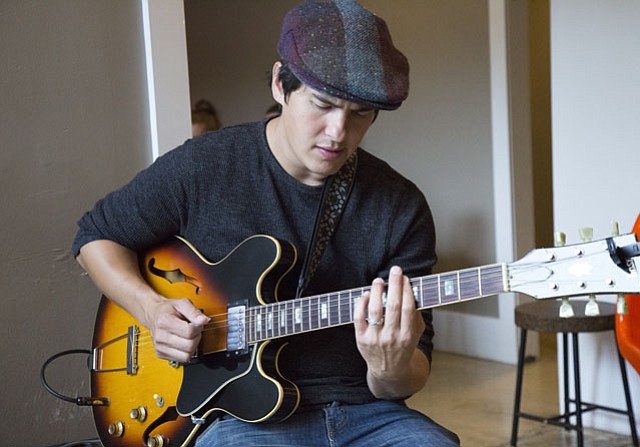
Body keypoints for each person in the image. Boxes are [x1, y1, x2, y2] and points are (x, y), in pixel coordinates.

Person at [73, 1, 460, 446]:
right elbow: (94, 238)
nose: (338, 132)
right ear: (281, 84)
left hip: (365, 411)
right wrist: (151, 309)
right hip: (236, 418)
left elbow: (404, 381)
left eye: (360, 114)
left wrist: (388, 365)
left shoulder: (400, 206)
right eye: (323, 104)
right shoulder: (204, 166)